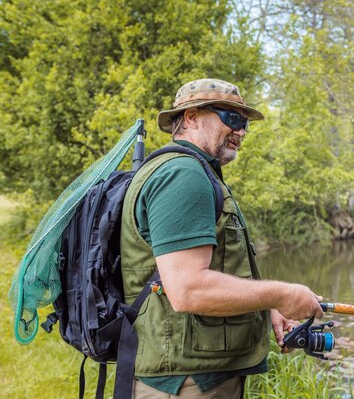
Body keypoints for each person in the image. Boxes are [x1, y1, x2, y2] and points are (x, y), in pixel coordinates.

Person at [120, 78, 324, 398]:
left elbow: (212, 266)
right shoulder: (183, 176)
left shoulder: (194, 171)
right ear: (191, 117)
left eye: (244, 123)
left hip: (194, 373)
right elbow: (188, 289)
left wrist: (265, 309)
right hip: (185, 383)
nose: (241, 131)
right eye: (232, 119)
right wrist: (280, 294)